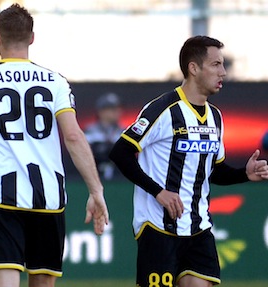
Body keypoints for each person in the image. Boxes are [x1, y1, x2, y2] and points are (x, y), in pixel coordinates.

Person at [0, 4, 109, 287]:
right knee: (43, 282)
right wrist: (96, 190)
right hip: (49, 197)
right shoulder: (56, 82)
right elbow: (73, 137)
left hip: (2, 197)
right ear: (32, 38)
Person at [109, 35, 268, 287]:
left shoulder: (215, 117)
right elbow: (120, 152)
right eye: (216, 64)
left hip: (199, 228)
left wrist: (243, 174)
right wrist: (159, 192)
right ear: (194, 68)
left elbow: (211, 171)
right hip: (158, 227)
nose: (223, 72)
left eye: (223, 64)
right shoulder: (163, 109)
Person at [83, 92, 125, 180]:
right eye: (112, 109)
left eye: (118, 108)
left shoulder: (124, 131)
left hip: (120, 180)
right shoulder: (90, 131)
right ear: (101, 111)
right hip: (92, 178)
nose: (117, 112)